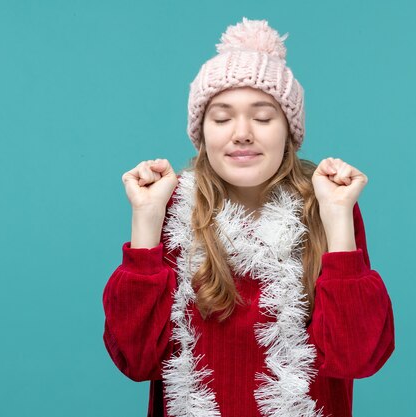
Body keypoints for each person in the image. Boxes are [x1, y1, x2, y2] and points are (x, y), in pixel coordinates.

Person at [102, 17, 395, 417]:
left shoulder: (325, 208)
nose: (242, 133)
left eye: (262, 117)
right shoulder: (172, 211)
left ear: (289, 133)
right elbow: (136, 361)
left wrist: (338, 218)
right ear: (202, 134)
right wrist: (145, 222)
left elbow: (357, 357)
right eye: (222, 118)